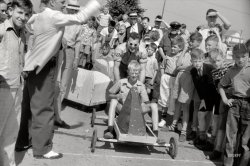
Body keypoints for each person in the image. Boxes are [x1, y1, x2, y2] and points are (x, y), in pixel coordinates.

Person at [15, 0, 101, 159]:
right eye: (62, 1)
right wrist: (95, 4)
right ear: (52, 2)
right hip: (44, 67)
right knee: (44, 108)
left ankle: (23, 141)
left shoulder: (40, 16)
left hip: (31, 66)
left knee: (28, 107)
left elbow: (29, 23)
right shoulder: (54, 15)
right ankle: (43, 149)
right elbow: (81, 17)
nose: (65, 5)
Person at [0, 1, 33, 166]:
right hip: (3, 88)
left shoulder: (22, 34)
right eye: (20, 12)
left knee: (11, 132)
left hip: (17, 85)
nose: (23, 17)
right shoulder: (2, 30)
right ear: (10, 10)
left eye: (27, 14)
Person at [104, 60, 160, 141]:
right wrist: (117, 95)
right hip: (123, 109)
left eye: (136, 73)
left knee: (154, 105)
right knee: (113, 101)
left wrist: (146, 108)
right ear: (128, 72)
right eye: (132, 72)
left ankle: (155, 133)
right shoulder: (121, 82)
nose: (134, 75)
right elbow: (109, 94)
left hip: (137, 110)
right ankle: (110, 130)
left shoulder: (141, 85)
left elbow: (146, 102)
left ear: (139, 73)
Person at [218, 43, 250, 166]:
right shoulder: (231, 71)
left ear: (247, 55)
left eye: (243, 56)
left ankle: (241, 163)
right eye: (237, 57)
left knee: (244, 141)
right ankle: (228, 163)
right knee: (230, 137)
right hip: (235, 104)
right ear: (233, 57)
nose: (240, 59)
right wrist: (225, 99)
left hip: (249, 104)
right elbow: (221, 85)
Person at [54, 0, 82, 129]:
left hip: (70, 51)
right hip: (59, 49)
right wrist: (60, 38)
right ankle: (50, 112)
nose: (72, 11)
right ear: (67, 9)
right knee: (55, 81)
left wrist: (76, 57)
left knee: (64, 84)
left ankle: (57, 116)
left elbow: (78, 42)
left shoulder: (78, 24)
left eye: (74, 9)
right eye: (70, 9)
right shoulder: (61, 19)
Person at [205, 48, 234, 160]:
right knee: (221, 125)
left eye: (217, 60)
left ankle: (229, 153)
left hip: (234, 99)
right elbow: (219, 87)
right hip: (223, 99)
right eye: (213, 61)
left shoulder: (231, 67)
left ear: (223, 58)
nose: (216, 63)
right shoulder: (214, 72)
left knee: (231, 128)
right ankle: (217, 150)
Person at [189, 48, 217, 151]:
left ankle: (206, 137)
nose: (197, 63)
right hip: (204, 97)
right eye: (194, 61)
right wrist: (203, 99)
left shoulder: (210, 68)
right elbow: (198, 87)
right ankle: (202, 135)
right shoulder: (193, 71)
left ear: (203, 60)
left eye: (199, 61)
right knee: (202, 114)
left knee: (209, 115)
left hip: (214, 96)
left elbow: (213, 84)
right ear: (191, 61)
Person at [158, 36, 185, 128]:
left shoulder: (181, 57)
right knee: (164, 98)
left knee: (173, 99)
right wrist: (162, 76)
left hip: (175, 79)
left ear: (180, 48)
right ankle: (163, 118)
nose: (173, 48)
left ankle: (174, 120)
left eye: (175, 47)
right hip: (166, 77)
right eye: (172, 46)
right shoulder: (167, 56)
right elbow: (162, 66)